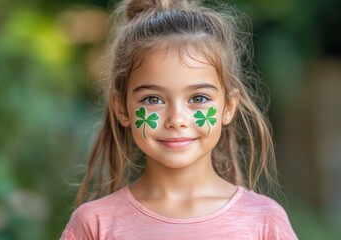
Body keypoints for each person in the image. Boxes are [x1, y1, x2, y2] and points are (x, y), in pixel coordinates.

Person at [61, 0, 298, 239]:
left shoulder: (263, 221)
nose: (177, 119)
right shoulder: (95, 224)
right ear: (122, 108)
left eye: (198, 97)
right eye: (153, 99)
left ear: (228, 106)